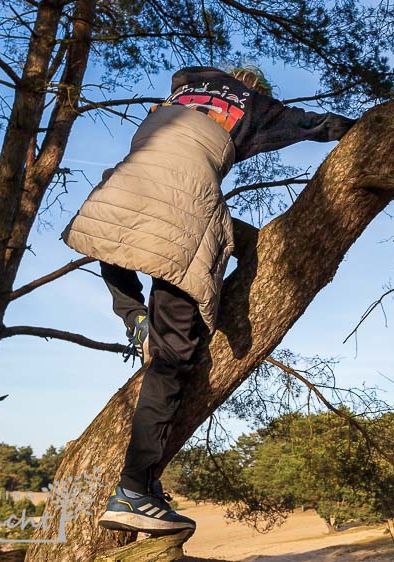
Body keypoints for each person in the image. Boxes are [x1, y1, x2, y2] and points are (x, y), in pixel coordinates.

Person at [60, 65, 354, 537]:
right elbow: (318, 125)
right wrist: (373, 129)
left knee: (114, 237)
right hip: (183, 213)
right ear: (254, 88)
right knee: (173, 361)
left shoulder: (174, 100)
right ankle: (133, 490)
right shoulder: (254, 107)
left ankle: (134, 315)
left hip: (121, 193)